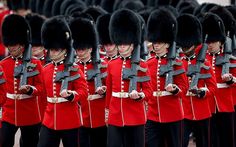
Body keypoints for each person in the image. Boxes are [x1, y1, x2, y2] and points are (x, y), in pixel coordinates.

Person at [37, 16, 88, 147]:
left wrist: (72, 95)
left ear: (65, 50)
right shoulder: (45, 69)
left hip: (69, 120)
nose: (52, 53)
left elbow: (83, 92)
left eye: (56, 50)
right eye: (51, 50)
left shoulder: (74, 69)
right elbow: (43, 95)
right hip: (49, 120)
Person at [106, 9, 153, 147]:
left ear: (132, 45)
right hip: (115, 116)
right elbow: (109, 91)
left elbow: (149, 91)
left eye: (124, 44)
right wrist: (107, 112)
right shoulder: (112, 64)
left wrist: (140, 95)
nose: (121, 47)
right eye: (119, 44)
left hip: (135, 116)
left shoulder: (142, 65)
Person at [145, 8, 188, 147]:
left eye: (159, 42)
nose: (156, 45)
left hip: (173, 114)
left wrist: (175, 90)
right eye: (154, 42)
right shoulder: (147, 64)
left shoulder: (177, 63)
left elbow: (184, 87)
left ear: (168, 44)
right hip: (153, 114)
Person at [0, 14, 44, 147]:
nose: (11, 48)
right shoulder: (3, 63)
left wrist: (30, 89)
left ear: (22, 43)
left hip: (29, 113)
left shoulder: (35, 63)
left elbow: (41, 88)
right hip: (9, 112)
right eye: (10, 45)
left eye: (14, 45)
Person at [177, 13, 217, 147]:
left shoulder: (204, 62)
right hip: (183, 111)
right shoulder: (178, 63)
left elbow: (212, 87)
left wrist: (202, 92)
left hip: (202, 111)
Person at [70, 17, 108, 147]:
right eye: (78, 50)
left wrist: (104, 90)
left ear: (90, 49)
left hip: (100, 117)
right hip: (81, 116)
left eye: (83, 49)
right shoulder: (73, 67)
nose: (80, 53)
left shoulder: (103, 65)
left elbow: (111, 87)